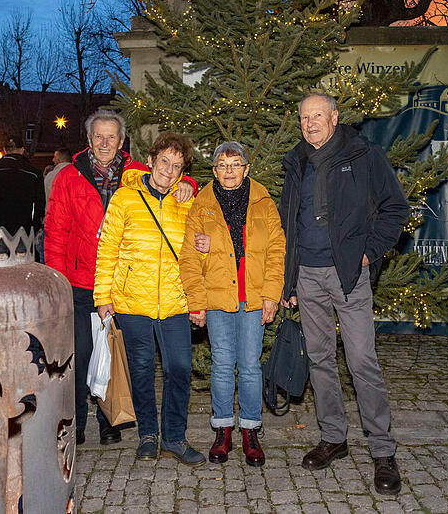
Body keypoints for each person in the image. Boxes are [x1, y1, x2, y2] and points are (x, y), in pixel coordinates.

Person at [279, 94, 409, 495]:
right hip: (307, 276)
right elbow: (288, 222)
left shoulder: (364, 154)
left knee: (361, 360)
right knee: (319, 359)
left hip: (348, 275)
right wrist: (288, 281)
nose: (310, 122)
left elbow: (396, 209)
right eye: (304, 117)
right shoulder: (296, 161)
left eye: (318, 115)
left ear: (334, 118)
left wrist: (368, 252)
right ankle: (334, 437)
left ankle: (383, 452)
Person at [45, 112, 194, 446]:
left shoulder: (137, 172)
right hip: (81, 279)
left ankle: (109, 420)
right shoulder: (69, 177)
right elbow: (55, 232)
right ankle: (77, 420)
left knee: (116, 356)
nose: (105, 143)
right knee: (82, 353)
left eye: (111, 137)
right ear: (88, 139)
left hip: (126, 281)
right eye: (98, 136)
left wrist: (188, 184)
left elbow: (171, 179)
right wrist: (58, 282)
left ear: (122, 141)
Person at [94, 132, 202, 464]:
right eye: (164, 162)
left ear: (183, 171)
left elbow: (198, 251)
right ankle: (148, 435)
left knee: (180, 367)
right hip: (131, 300)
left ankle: (173, 437)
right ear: (151, 161)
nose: (169, 171)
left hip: (175, 301)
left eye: (177, 166)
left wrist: (192, 187)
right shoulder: (125, 198)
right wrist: (102, 296)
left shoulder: (186, 200)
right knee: (140, 369)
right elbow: (107, 249)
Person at [179, 141, 284, 466]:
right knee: (223, 365)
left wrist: (271, 295)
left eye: (235, 164)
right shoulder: (202, 205)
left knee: (250, 366)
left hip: (252, 299)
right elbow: (189, 258)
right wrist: (196, 302)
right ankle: (222, 429)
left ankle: (250, 430)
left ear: (246, 169)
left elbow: (277, 251)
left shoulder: (264, 204)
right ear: (214, 171)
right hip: (218, 298)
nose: (229, 171)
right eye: (223, 165)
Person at [0, 136, 45, 242]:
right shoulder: (34, 173)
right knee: (22, 257)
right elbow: (40, 203)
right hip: (24, 230)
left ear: (4, 150)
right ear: (22, 150)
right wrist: (34, 224)